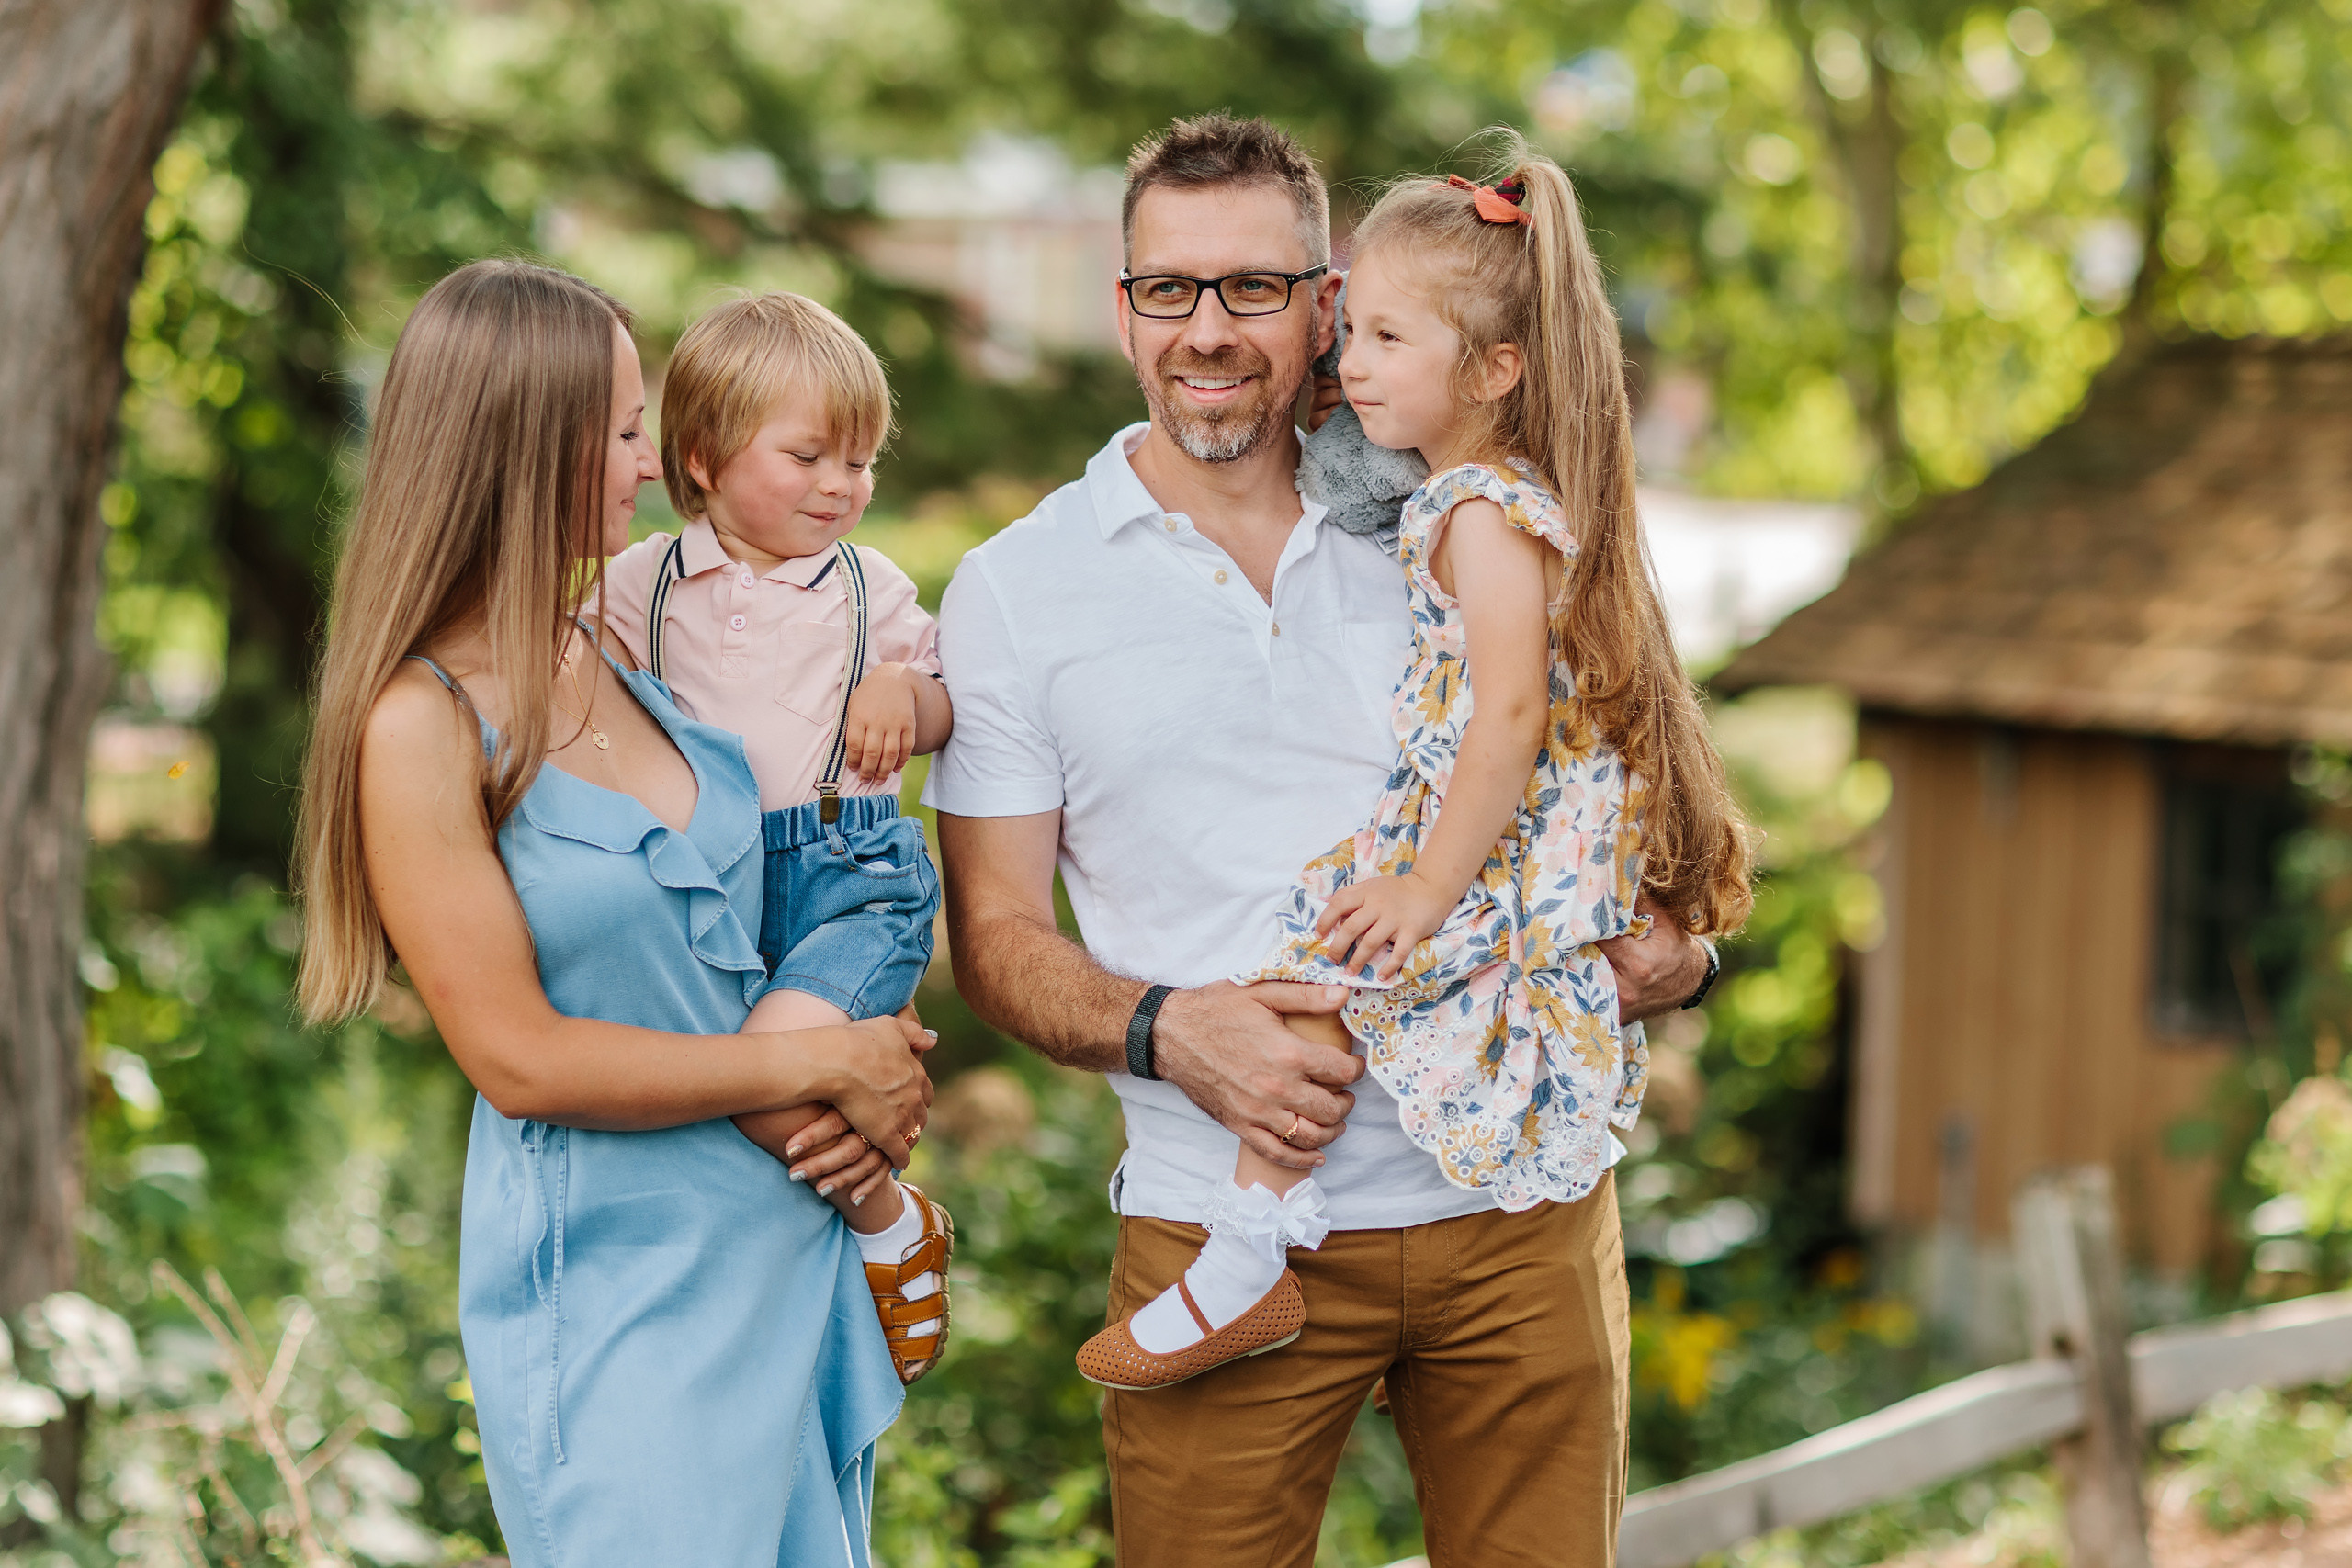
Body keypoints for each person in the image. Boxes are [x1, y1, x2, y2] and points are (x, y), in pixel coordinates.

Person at [925, 115, 1718, 1566]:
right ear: (1122, 309)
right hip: (1223, 1229)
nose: (1209, 329)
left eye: (1255, 288)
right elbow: (994, 940)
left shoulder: (1455, 503)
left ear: (1328, 301)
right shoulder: (1016, 590)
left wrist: (1683, 948)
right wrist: (1173, 1031)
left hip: (1515, 1206)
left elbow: (1626, 758)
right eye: (1170, 288)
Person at [1077, 142, 1754, 1389]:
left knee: (1324, 968)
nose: (1348, 365)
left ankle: (1241, 1261)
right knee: (1315, 978)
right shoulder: (1452, 488)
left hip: (1486, 840)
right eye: (1355, 330)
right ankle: (1250, 1251)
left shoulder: (1485, 514)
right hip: (1473, 830)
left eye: (1386, 339)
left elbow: (1505, 718)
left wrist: (1424, 887)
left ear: (1494, 369)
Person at [294, 259, 929, 1566]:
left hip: (783, 1251)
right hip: (618, 1294)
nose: (652, 467)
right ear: (526, 445)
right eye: (629, 430)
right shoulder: (422, 723)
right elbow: (519, 1057)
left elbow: (783, 913)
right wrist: (816, 1062)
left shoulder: (623, 649)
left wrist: (864, 1079)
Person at [600, 292, 955, 1384]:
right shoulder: (637, 587)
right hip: (708, 889)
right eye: (808, 457)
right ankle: (878, 1214)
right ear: (702, 458)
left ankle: (888, 1226)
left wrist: (906, 690)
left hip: (849, 880)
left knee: (764, 1083)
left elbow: (952, 699)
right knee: (753, 1098)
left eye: (860, 462)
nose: (843, 486)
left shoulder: (868, 588)